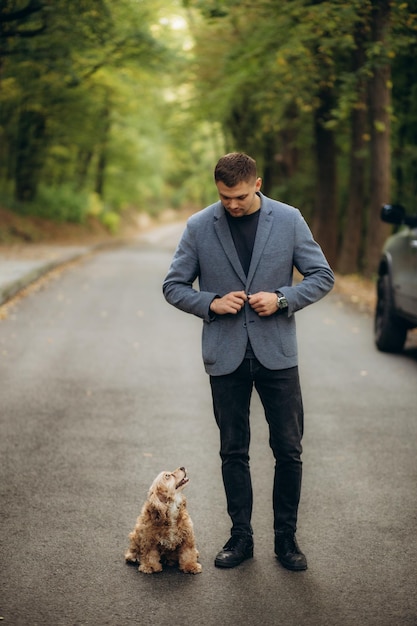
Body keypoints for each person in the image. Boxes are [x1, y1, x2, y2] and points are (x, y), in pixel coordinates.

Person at [162, 152, 334, 570]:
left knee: (288, 451)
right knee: (232, 451)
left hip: (277, 355)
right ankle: (241, 539)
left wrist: (282, 299)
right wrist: (211, 303)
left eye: (239, 196)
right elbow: (173, 285)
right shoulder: (201, 225)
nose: (233, 205)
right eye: (225, 197)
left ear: (257, 183)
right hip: (226, 357)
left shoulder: (289, 219)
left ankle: (286, 541)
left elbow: (321, 276)